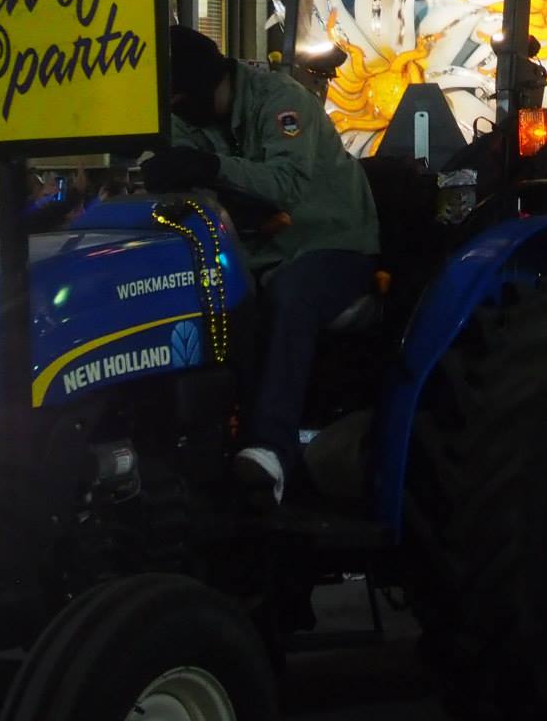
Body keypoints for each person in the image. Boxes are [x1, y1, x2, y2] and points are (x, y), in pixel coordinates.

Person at [144, 26, 380, 507]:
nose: (179, 116)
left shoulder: (282, 101)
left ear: (212, 86)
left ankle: (269, 450)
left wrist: (207, 167)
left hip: (330, 244)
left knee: (289, 294)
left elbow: (284, 184)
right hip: (258, 252)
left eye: (182, 103)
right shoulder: (193, 117)